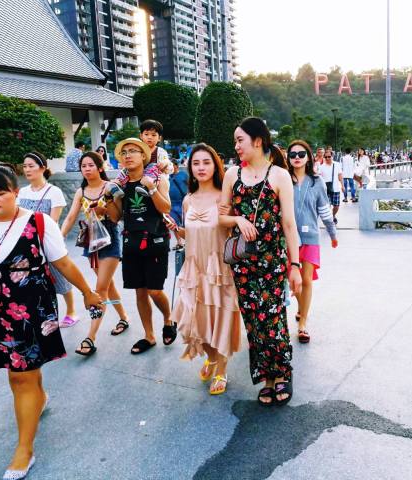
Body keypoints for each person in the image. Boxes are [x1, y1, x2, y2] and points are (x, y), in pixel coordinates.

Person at [0, 165, 101, 479]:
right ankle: (39, 398)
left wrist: (88, 292)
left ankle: (24, 450)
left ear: (16, 192)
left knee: (21, 377)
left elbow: (63, 263)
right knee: (19, 374)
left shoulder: (38, 222)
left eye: (0, 192)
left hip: (29, 309)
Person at [219, 117, 302, 407]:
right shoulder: (232, 175)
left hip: (273, 261)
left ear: (257, 141)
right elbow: (221, 216)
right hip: (243, 263)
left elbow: (289, 224)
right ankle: (266, 378)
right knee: (254, 321)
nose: (236, 146)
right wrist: (238, 219)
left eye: (240, 140)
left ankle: (282, 373)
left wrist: (295, 266)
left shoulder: (280, 175)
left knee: (274, 318)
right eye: (235, 141)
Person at [170, 143, 240, 395]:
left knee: (221, 317)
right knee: (197, 319)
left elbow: (232, 230)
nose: (201, 167)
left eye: (206, 162)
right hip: (194, 268)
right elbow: (189, 235)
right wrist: (177, 231)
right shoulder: (188, 200)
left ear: (216, 166)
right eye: (196, 163)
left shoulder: (225, 197)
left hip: (220, 269)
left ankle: (221, 369)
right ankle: (210, 357)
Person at [61, 152, 129, 356]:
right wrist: (58, 239)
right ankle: (124, 317)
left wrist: (105, 210)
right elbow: (71, 217)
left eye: (91, 165)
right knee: (108, 284)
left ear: (100, 168)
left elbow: (118, 217)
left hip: (110, 239)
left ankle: (91, 337)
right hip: (91, 241)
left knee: (100, 289)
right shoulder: (81, 192)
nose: (87, 168)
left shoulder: (110, 188)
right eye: (83, 166)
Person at [115, 138, 177, 355]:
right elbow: (115, 217)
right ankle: (149, 336)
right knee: (140, 292)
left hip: (155, 240)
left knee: (155, 290)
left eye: (133, 151)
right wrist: (110, 200)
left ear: (144, 156)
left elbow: (166, 207)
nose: (128, 155)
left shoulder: (156, 179)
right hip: (131, 242)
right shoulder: (121, 184)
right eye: (124, 152)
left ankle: (168, 319)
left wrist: (151, 189)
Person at [17, 152, 79, 329]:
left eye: (31, 166)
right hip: (27, 244)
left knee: (60, 277)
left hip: (48, 241)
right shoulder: (22, 192)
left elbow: (52, 222)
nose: (27, 169)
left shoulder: (54, 192)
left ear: (42, 168)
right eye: (25, 166)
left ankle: (72, 311)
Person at [287, 140, 338, 344]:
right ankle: (301, 308)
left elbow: (324, 210)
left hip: (310, 238)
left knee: (306, 280)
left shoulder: (316, 182)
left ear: (308, 157)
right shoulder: (282, 179)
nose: (297, 157)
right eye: (293, 154)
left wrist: (333, 235)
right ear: (288, 158)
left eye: (301, 154)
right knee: (294, 281)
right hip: (288, 239)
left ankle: (303, 323)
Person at [115, 120, 174, 197]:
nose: (149, 137)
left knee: (153, 166)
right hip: (137, 181)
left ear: (159, 138)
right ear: (141, 136)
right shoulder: (138, 150)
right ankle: (117, 184)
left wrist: (165, 163)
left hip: (156, 183)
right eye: (146, 134)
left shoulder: (160, 152)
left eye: (153, 135)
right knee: (125, 170)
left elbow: (169, 168)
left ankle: (144, 187)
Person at [319, 148, 344, 223]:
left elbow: (340, 176)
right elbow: (319, 178)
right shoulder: (321, 167)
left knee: (336, 206)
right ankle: (329, 219)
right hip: (325, 190)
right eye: (325, 157)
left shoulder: (337, 165)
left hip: (335, 188)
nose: (327, 158)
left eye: (329, 156)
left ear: (332, 156)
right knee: (327, 206)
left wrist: (342, 186)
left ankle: (333, 216)